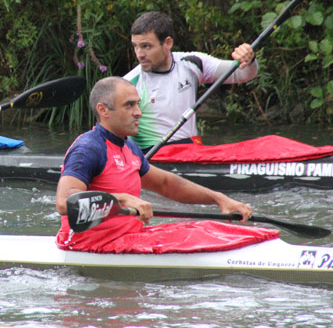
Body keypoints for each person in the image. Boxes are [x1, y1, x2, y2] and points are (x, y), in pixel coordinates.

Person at [55, 76, 253, 251]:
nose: (138, 112)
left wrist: (218, 199)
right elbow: (64, 203)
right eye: (129, 105)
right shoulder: (88, 148)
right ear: (103, 110)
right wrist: (122, 199)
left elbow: (166, 184)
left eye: (137, 104)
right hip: (90, 245)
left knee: (208, 229)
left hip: (127, 239)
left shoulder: (129, 148)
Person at [124, 11, 258, 151]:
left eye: (146, 46)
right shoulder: (128, 84)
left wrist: (250, 59)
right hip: (153, 159)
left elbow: (243, 74)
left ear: (168, 43)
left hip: (191, 152)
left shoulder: (193, 63)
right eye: (135, 46)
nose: (139, 54)